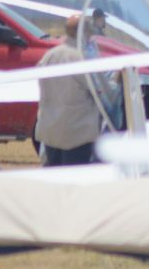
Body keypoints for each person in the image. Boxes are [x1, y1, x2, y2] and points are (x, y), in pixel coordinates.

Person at [34, 13, 105, 166]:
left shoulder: (49, 56)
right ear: (84, 32)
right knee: (74, 177)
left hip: (51, 131)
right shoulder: (81, 59)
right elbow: (98, 90)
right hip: (76, 134)